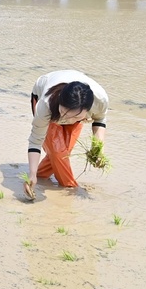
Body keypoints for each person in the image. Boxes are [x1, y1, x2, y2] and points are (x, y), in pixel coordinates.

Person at [24, 70, 108, 199]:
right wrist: (31, 173)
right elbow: (36, 140)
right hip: (50, 108)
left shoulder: (100, 100)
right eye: (63, 113)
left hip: (73, 110)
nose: (66, 120)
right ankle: (71, 189)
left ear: (88, 109)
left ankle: (41, 177)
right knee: (58, 152)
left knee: (61, 153)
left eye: (74, 117)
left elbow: (100, 120)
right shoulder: (46, 104)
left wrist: (98, 151)